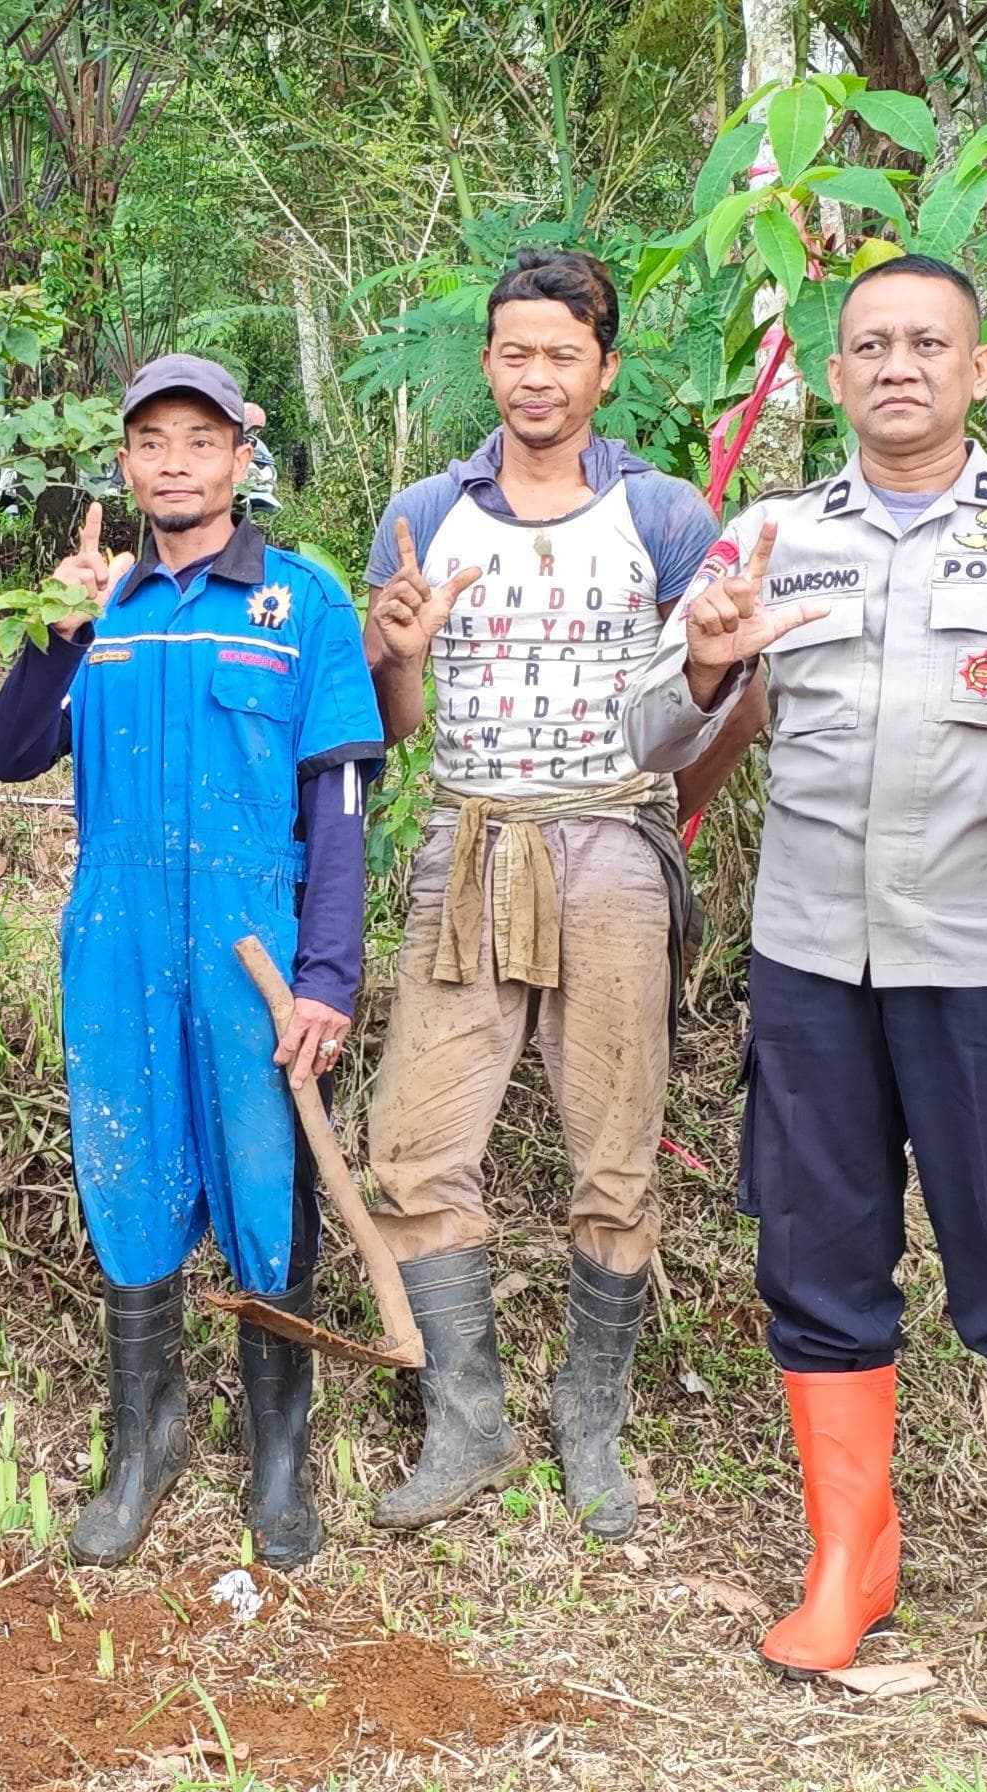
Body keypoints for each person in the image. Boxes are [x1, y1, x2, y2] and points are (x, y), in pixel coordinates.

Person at [624, 254, 987, 1713]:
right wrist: (698, 668)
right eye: (867, 344)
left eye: (928, 342)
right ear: (832, 369)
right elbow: (648, 744)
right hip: (809, 970)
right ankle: (845, 1558)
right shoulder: (769, 533)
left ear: (981, 369)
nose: (896, 367)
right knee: (813, 1261)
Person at [0, 355, 383, 1570]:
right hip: (116, 938)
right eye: (151, 440)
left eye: (199, 441)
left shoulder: (301, 603)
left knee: (267, 1191)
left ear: (240, 460)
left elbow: (344, 807)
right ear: (124, 463)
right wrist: (53, 636)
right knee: (127, 1176)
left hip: (248, 947)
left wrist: (328, 979)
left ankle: (278, 1461)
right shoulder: (94, 608)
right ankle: (143, 1441)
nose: (174, 462)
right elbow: (8, 755)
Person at [353, 249, 720, 1541]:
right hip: (465, 842)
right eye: (513, 351)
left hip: (611, 844)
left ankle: (588, 1420)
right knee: (411, 1148)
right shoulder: (423, 513)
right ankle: (467, 1420)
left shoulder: (660, 516)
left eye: (560, 353)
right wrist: (390, 651)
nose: (534, 376)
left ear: (602, 368)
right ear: (487, 363)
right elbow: (395, 723)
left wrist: (671, 808)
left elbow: (715, 695)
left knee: (612, 1155)